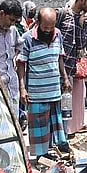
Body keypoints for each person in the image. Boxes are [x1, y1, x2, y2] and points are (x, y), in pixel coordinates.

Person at [17, 8, 71, 158]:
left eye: (51, 27)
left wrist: (65, 78)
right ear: (37, 22)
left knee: (54, 123)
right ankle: (41, 155)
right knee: (39, 126)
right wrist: (22, 88)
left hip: (54, 88)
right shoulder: (27, 38)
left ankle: (52, 150)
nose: (48, 30)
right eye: (45, 27)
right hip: (36, 90)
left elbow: (60, 57)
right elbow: (21, 64)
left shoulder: (58, 34)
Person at [56, 0, 87, 135]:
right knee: (55, 108)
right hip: (56, 70)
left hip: (70, 71)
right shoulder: (62, 14)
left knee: (66, 107)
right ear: (82, 0)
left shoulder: (84, 19)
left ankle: (64, 137)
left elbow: (81, 45)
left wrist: (81, 25)